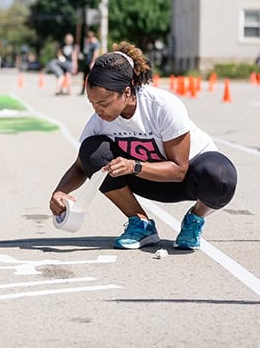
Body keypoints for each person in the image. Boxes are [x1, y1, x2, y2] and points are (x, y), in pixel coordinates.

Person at [49, 42, 238, 251]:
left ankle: (195, 219)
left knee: (221, 176)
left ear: (127, 92)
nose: (98, 110)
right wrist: (60, 192)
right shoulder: (99, 121)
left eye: (103, 103)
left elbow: (179, 170)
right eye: (92, 103)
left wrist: (134, 166)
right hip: (147, 180)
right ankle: (141, 224)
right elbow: (81, 166)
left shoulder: (162, 106)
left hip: (186, 178)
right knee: (91, 150)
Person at [79, 30, 100, 95]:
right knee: (84, 77)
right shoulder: (89, 43)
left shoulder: (95, 43)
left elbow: (96, 53)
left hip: (91, 63)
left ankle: (95, 91)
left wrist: (93, 62)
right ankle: (83, 90)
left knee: (93, 78)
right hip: (87, 62)